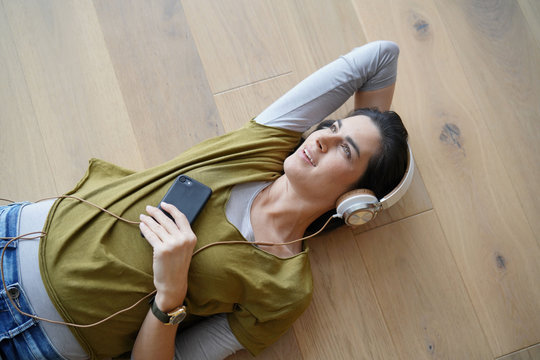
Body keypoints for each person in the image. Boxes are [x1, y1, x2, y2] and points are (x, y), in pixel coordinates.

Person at [0, 40, 407, 359]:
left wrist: (170, 293)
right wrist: (373, 130)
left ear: (358, 197)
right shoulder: (263, 145)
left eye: (345, 149)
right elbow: (380, 56)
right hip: (10, 230)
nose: (321, 137)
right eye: (332, 125)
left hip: (25, 339)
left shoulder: (285, 289)